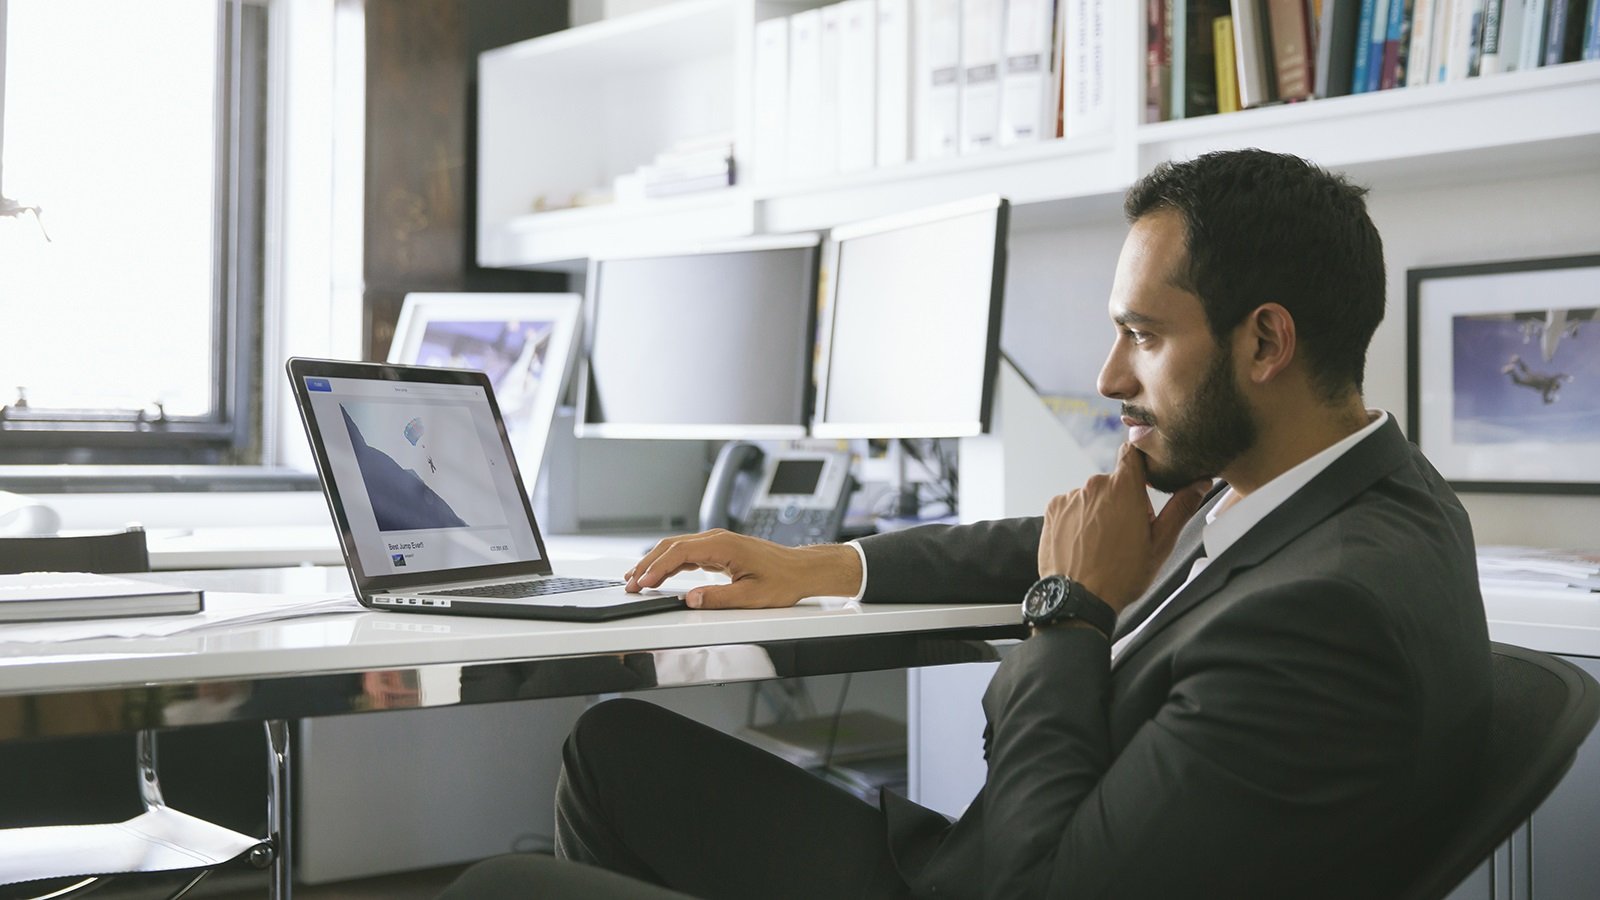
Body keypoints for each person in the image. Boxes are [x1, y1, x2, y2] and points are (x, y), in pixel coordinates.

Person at [438, 149, 1491, 899]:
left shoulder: (1320, 615)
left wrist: (1069, 616)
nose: (1108, 375)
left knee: (498, 884)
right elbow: (1066, 531)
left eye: (1143, 336)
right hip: (991, 858)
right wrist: (815, 564)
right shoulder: (1334, 488)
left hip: (1017, 876)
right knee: (614, 747)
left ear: (1264, 341)